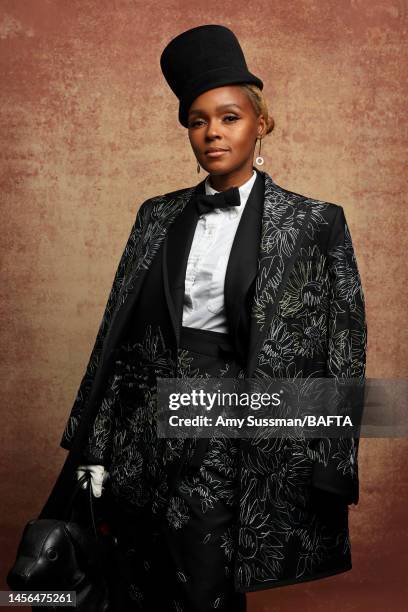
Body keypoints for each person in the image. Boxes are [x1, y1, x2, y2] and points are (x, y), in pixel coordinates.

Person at [39, 24, 367, 612]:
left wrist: (333, 464)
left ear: (260, 122)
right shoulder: (155, 216)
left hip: (232, 431)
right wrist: (93, 448)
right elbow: (116, 338)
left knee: (205, 584)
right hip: (142, 432)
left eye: (229, 116)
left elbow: (344, 346)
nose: (213, 132)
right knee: (136, 578)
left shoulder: (316, 222)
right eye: (197, 120)